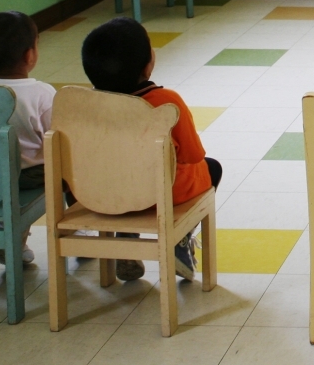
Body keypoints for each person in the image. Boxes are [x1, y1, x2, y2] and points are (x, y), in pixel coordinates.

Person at [82, 17, 220, 283]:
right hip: (158, 196)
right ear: (148, 65)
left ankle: (125, 239)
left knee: (118, 170)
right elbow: (193, 156)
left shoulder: (84, 105)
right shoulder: (166, 102)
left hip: (101, 192)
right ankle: (179, 239)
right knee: (212, 167)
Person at [0, 11, 56, 266]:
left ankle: (5, 232)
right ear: (30, 55)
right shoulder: (41, 94)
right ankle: (76, 232)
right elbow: (58, 140)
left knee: (14, 175)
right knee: (66, 170)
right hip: (28, 176)